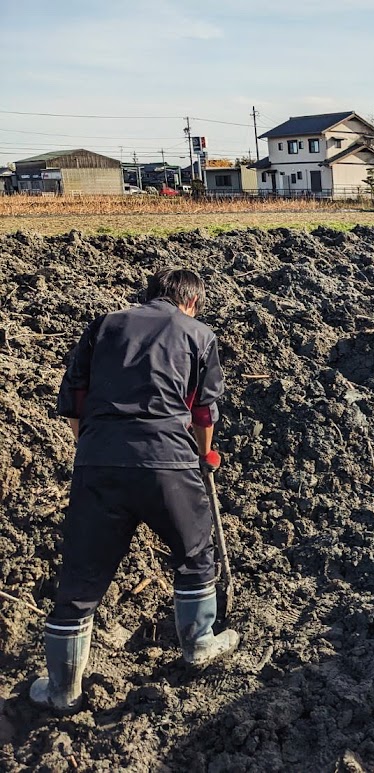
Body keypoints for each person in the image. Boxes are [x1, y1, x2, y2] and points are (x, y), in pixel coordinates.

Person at [30, 268, 239, 713]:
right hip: (169, 462)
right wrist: (205, 457)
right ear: (192, 301)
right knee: (194, 551)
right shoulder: (198, 334)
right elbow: (203, 412)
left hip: (98, 460)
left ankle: (62, 688)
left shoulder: (103, 325)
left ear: (149, 296)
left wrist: (95, 450)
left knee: (81, 578)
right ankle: (199, 641)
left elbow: (75, 400)